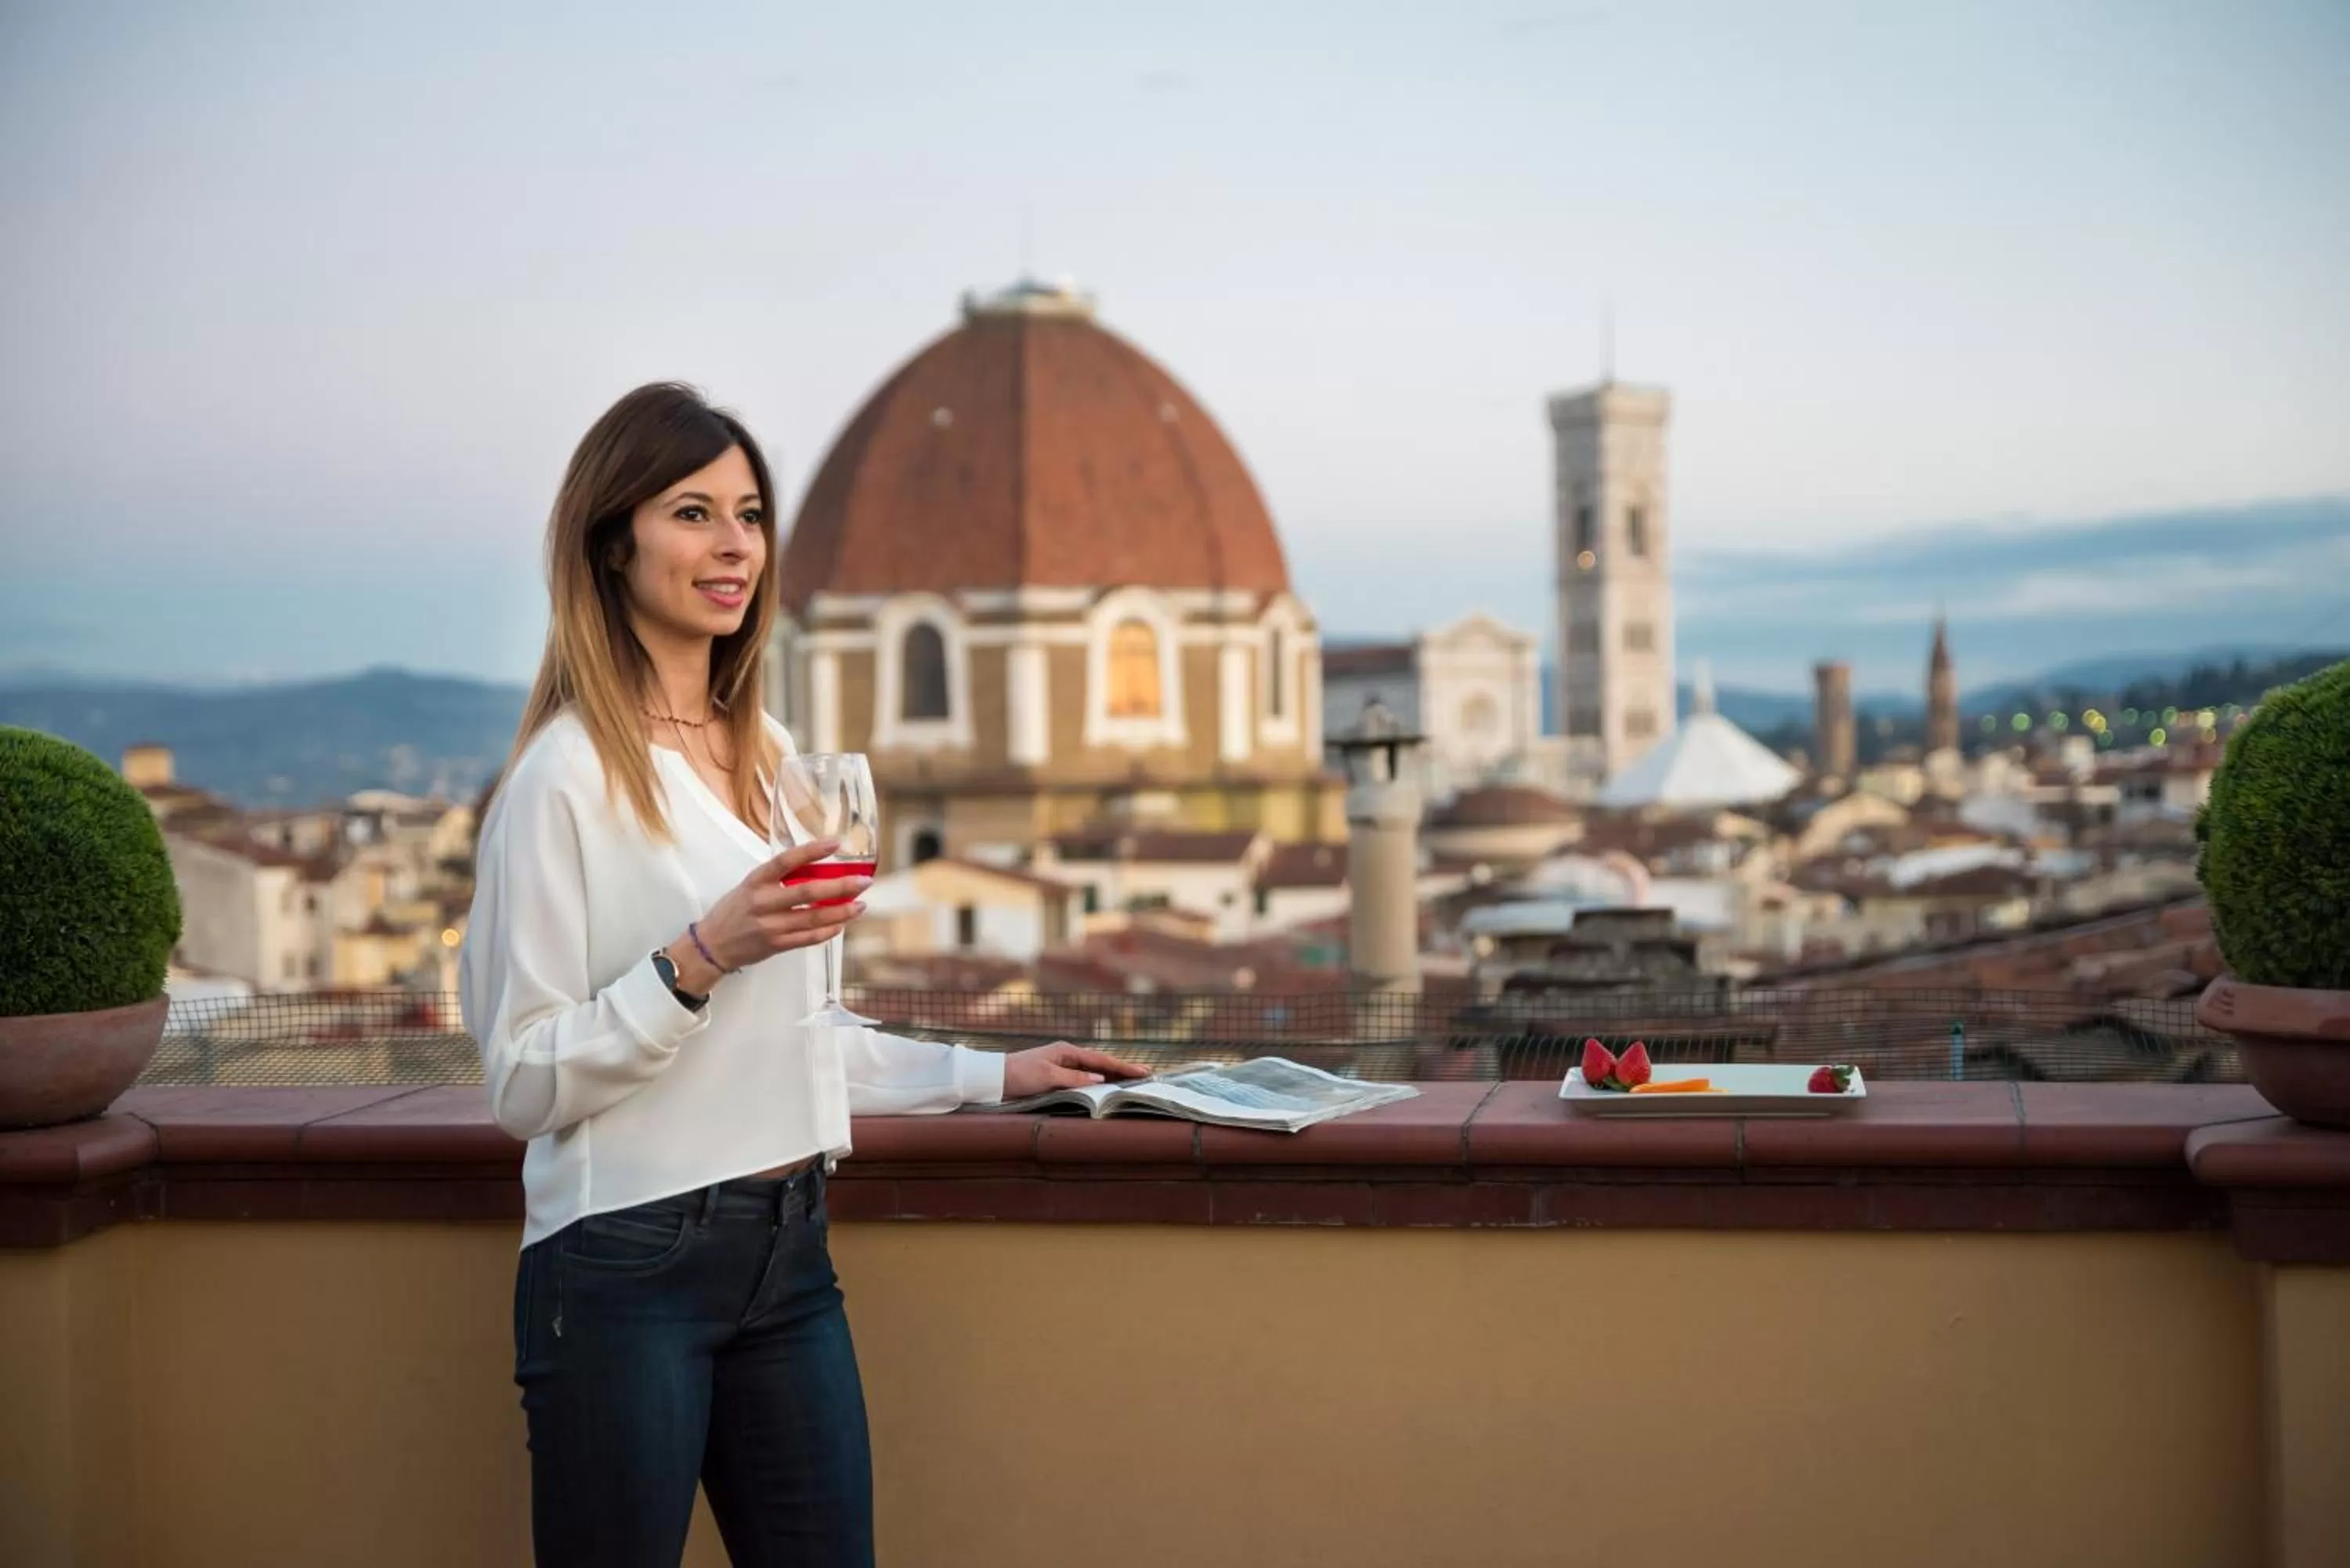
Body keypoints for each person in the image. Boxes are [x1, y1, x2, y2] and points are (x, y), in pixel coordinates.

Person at [459, 382, 1143, 1567]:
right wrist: (699, 957)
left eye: (750, 514)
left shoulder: (771, 759)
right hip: (625, 1263)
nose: (735, 545)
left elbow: (795, 1037)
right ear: (612, 544)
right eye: (692, 514)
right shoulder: (562, 781)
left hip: (788, 1255)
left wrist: (997, 1076)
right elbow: (522, 1082)